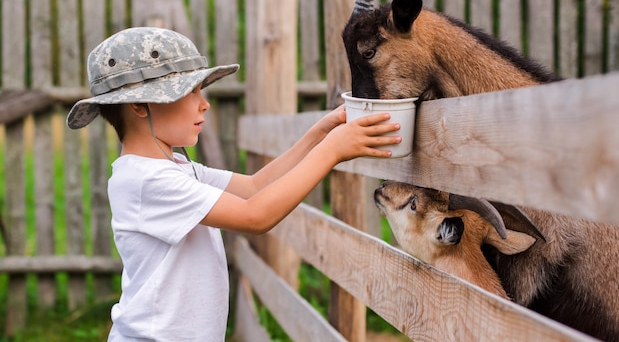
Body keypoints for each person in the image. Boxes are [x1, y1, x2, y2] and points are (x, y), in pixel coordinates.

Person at [67, 27, 401, 341]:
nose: (204, 102)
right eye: (190, 91)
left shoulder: (175, 167)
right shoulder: (146, 180)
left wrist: (319, 134)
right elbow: (255, 215)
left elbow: (255, 187)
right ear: (139, 105)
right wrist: (332, 150)